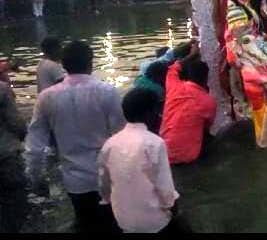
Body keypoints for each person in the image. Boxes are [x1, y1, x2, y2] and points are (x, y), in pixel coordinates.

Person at [25, 41, 125, 233]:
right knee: (113, 224)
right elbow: (121, 136)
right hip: (108, 176)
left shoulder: (46, 97)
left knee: (85, 222)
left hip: (75, 181)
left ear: (63, 64)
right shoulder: (107, 92)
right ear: (90, 62)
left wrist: (35, 177)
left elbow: (35, 146)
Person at [98, 88, 190, 233]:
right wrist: (176, 211)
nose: (160, 115)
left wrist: (107, 201)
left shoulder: (110, 143)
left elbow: (104, 184)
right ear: (149, 113)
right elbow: (165, 191)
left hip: (123, 221)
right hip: (154, 223)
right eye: (157, 110)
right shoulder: (154, 143)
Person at [160, 43, 217, 164]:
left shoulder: (174, 86)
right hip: (188, 157)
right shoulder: (208, 101)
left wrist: (192, 55)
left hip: (164, 152)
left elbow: (172, 68)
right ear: (206, 79)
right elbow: (207, 127)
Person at [0, 81, 29, 232]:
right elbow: (16, 122)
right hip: (6, 154)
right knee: (15, 203)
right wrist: (24, 135)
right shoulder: (2, 89)